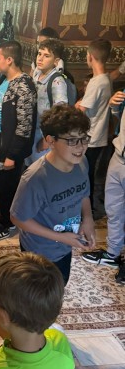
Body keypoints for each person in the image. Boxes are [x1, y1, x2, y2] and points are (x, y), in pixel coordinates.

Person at [11, 104, 96, 285]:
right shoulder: (35, 178)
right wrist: (60, 237)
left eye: (83, 138)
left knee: (59, 287)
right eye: (72, 140)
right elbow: (18, 218)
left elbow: (83, 194)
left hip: (65, 247)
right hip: (39, 253)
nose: (80, 147)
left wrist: (88, 218)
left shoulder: (81, 163)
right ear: (50, 141)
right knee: (38, 295)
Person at [0, 41, 37, 242]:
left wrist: (13, 154)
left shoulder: (24, 85)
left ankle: (7, 225)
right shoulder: (4, 80)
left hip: (7, 144)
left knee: (6, 186)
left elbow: (25, 125)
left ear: (9, 60)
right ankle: (4, 215)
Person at [82, 89, 125, 269]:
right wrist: (115, 107)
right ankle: (113, 254)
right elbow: (119, 122)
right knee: (114, 209)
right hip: (119, 155)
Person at [75, 39, 112, 212]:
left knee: (84, 175)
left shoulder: (96, 82)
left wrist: (77, 105)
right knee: (88, 173)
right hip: (99, 134)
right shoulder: (106, 79)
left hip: (91, 136)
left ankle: (86, 211)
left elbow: (82, 109)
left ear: (90, 56)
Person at [29, 39, 68, 164]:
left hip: (44, 136)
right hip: (32, 132)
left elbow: (60, 114)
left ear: (56, 61)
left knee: (41, 167)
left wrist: (47, 139)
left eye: (46, 56)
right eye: (39, 54)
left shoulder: (57, 81)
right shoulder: (37, 74)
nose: (40, 58)